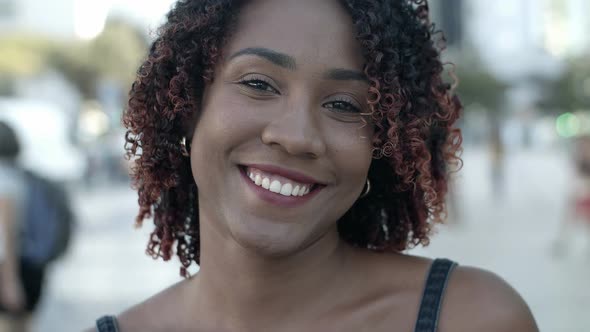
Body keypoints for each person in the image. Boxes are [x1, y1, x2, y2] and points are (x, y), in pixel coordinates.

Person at [90, 0, 538, 331]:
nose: (297, 135)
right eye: (259, 83)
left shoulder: (472, 318)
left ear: (381, 144)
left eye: (344, 105)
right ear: (187, 106)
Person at [0, 121, 44, 332]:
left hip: (10, 268)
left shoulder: (3, 181)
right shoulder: (20, 176)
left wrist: (9, 281)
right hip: (32, 266)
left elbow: (7, 234)